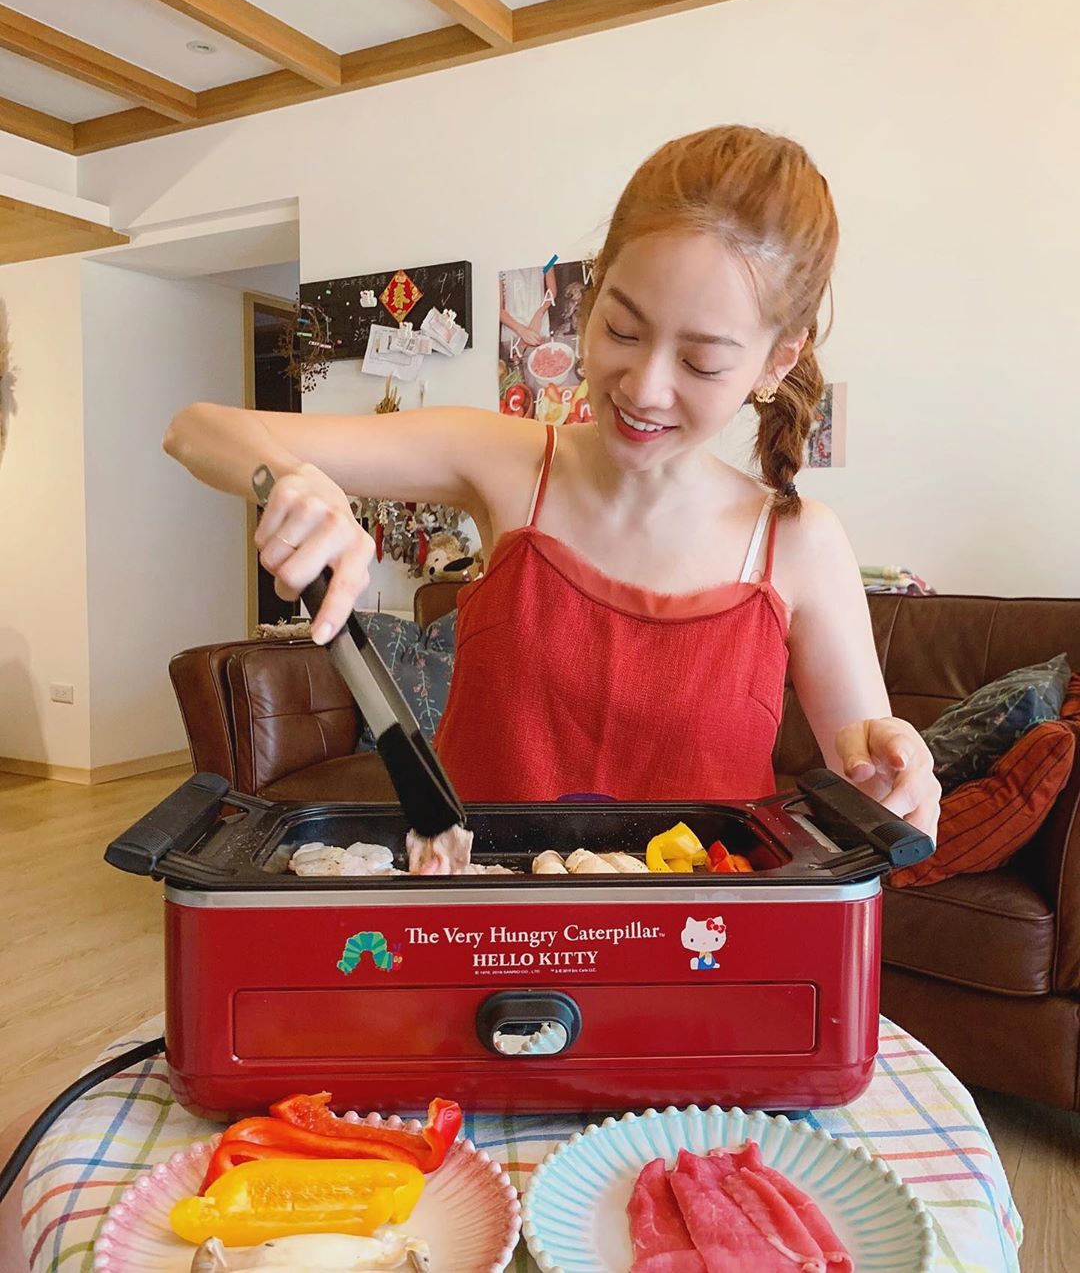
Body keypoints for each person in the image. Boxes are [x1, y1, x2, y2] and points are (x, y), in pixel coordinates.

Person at [164, 125, 940, 839]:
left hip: (702, 936)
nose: (644, 387)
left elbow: (871, 794)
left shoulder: (798, 544)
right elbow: (196, 429)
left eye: (701, 361)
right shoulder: (504, 461)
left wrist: (898, 781)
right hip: (481, 924)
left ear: (777, 359)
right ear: (590, 298)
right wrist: (289, 478)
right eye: (622, 329)